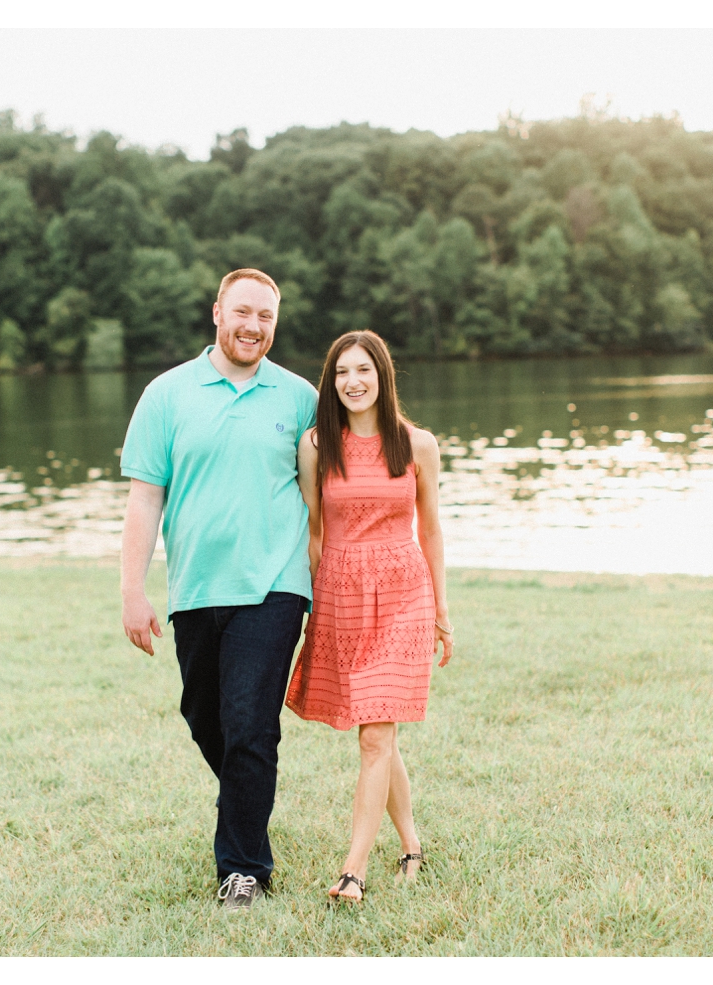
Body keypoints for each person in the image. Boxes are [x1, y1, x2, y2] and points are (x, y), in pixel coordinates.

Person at [119, 268, 318, 910]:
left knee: (250, 723)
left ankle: (243, 870)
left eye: (266, 316)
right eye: (242, 312)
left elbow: (334, 487)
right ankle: (246, 801)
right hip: (196, 590)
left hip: (275, 584)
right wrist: (133, 589)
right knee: (206, 717)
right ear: (216, 313)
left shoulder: (298, 398)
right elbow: (146, 500)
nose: (253, 326)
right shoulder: (167, 394)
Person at [284, 329, 454, 904]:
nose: (352, 382)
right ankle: (411, 846)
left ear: (383, 376)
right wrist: (311, 611)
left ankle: (353, 871)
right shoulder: (315, 446)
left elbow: (430, 530)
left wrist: (442, 612)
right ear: (330, 382)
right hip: (341, 598)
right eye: (340, 372)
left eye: (364, 371)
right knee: (381, 735)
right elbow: (314, 533)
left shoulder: (417, 444)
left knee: (375, 736)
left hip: (404, 596)